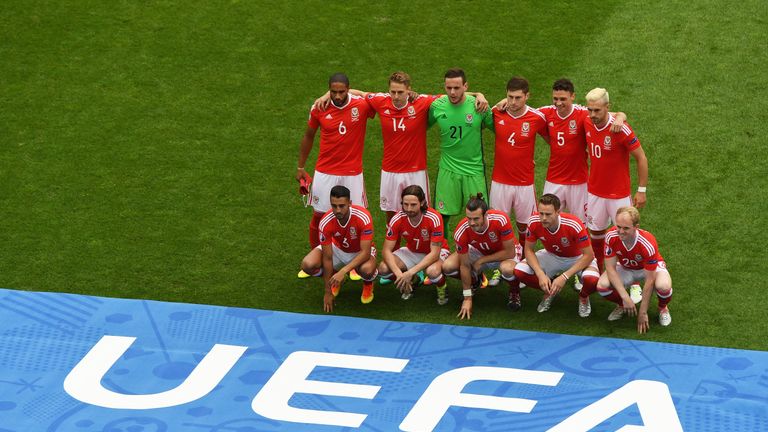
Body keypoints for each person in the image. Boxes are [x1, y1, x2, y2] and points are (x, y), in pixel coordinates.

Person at [312, 72, 487, 224]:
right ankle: (394, 251)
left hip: (415, 170)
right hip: (390, 171)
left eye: (400, 92)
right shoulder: (381, 101)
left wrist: (478, 94)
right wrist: (327, 95)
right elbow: (354, 92)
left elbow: (451, 94)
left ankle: (426, 250)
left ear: (409, 90)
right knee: (391, 215)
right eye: (393, 92)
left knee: (422, 213)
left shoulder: (422, 102)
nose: (396, 96)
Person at [296, 73, 375, 256]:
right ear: (329, 90)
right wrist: (301, 167)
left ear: (348, 89)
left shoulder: (361, 105)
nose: (337, 96)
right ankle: (317, 256)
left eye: (342, 91)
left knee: (359, 216)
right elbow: (309, 135)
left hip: (352, 173)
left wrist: (330, 93)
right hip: (325, 171)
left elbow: (375, 97)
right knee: (319, 216)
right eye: (333, 92)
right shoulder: (319, 107)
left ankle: (360, 259)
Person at [486, 77, 548, 287]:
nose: (513, 102)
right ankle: (498, 266)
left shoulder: (536, 118)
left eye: (518, 98)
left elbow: (554, 136)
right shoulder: (496, 112)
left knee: (524, 225)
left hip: (524, 184)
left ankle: (521, 265)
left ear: (527, 96)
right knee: (496, 226)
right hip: (500, 182)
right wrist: (483, 97)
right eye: (510, 97)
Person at [537, 79, 626, 223]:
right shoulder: (546, 112)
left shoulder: (584, 113)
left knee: (580, 223)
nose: (558, 103)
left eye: (563, 99)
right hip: (554, 179)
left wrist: (621, 117)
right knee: (547, 219)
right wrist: (504, 101)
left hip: (579, 181)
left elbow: (613, 114)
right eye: (555, 98)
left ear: (572, 96)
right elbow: (523, 111)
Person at [584, 87, 648, 271]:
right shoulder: (587, 121)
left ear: (607, 107)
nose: (593, 114)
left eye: (597, 110)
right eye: (590, 110)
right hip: (595, 192)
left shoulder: (621, 130)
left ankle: (634, 279)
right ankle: (598, 270)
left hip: (618, 194)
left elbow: (641, 158)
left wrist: (641, 190)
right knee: (596, 233)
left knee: (626, 234)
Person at [511, 194, 599, 316]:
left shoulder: (573, 224)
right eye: (541, 213)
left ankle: (583, 297)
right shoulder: (533, 221)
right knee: (520, 271)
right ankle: (551, 290)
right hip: (551, 255)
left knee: (592, 280)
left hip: (577, 258)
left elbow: (589, 255)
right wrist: (540, 274)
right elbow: (529, 250)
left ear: (558, 212)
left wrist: (564, 277)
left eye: (548, 214)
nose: (543, 218)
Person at [429, 68, 493, 231]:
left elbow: (501, 129)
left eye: (457, 88)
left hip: (473, 170)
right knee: (441, 217)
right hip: (448, 169)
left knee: (480, 216)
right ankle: (442, 251)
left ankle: (481, 251)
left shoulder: (479, 106)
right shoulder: (437, 106)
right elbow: (419, 126)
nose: (452, 92)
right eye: (448, 88)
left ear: (465, 86)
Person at [299, 186, 378, 313]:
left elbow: (365, 252)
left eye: (342, 206)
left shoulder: (363, 217)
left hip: (359, 251)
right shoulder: (326, 221)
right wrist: (327, 291)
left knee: (367, 270)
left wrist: (344, 270)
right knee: (307, 265)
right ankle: (335, 279)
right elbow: (327, 257)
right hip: (337, 249)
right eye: (334, 206)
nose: (338, 210)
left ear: (350, 204)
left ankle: (368, 284)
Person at [442, 194, 520, 320]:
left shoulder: (501, 219)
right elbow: (464, 265)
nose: (472, 223)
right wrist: (467, 298)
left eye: (476, 219)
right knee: (447, 266)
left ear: (486, 215)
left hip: (503, 253)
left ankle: (514, 292)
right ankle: (475, 281)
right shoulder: (461, 230)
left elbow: (510, 252)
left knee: (507, 269)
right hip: (479, 251)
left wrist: (482, 260)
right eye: (469, 218)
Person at [595, 207, 672, 333]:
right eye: (618, 226)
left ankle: (663, 307)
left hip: (648, 269)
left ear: (636, 227)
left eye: (626, 228)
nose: (620, 231)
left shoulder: (647, 243)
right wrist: (625, 297)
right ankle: (622, 305)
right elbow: (610, 268)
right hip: (626, 267)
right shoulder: (611, 236)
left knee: (663, 286)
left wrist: (643, 312)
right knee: (602, 286)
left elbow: (650, 280)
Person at [378, 185, 451, 305]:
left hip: (436, 252)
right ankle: (411, 282)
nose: (408, 208)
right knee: (383, 269)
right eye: (405, 204)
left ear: (422, 203)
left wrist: (410, 272)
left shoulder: (434, 218)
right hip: (412, 251)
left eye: (413, 205)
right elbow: (386, 251)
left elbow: (434, 254)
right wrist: (399, 275)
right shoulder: (397, 218)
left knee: (432, 271)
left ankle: (442, 287)